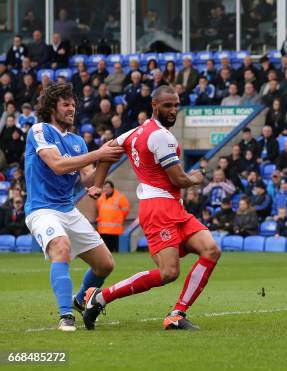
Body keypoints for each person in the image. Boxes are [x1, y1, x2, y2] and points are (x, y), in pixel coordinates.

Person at [82, 85, 222, 331]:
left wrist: (98, 184)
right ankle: (101, 297)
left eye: (176, 105)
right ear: (154, 106)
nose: (173, 110)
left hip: (171, 207)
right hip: (159, 209)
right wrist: (196, 179)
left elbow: (107, 152)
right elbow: (179, 179)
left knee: (211, 250)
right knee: (168, 272)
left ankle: (177, 314)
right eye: (168, 105)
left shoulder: (134, 133)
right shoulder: (161, 136)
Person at [24, 83, 124, 331]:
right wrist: (98, 153)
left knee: (105, 264)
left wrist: (106, 161)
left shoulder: (78, 141)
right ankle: (65, 315)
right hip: (41, 209)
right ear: (51, 107)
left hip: (67, 209)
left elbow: (88, 177)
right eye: (65, 104)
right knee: (62, 246)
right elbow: (57, 165)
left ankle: (80, 301)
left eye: (73, 105)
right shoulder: (40, 130)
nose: (71, 109)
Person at [95, 181, 130, 252]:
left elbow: (125, 211)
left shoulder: (120, 197)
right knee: (106, 251)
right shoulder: (101, 198)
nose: (106, 189)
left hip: (115, 231)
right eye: (104, 187)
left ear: (112, 188)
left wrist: (118, 219)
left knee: (115, 251)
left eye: (108, 187)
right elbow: (99, 210)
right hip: (103, 230)